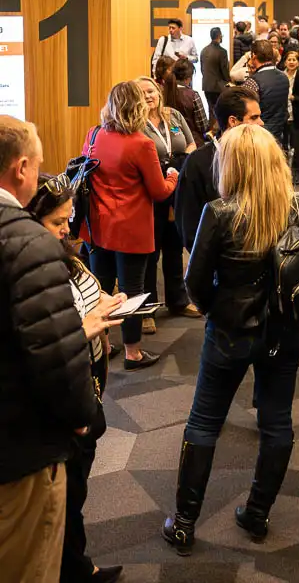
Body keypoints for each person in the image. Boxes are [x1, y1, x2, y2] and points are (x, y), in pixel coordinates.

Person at [162, 125, 299, 553]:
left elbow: (194, 283)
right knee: (277, 422)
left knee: (204, 422)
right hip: (284, 330)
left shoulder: (220, 211)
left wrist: (220, 308)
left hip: (230, 332)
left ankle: (184, 522)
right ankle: (257, 512)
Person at [0, 118, 99, 583]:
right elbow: (54, 354)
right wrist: (80, 417)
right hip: (22, 451)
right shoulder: (28, 242)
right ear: (21, 168)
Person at [27, 177, 125, 583]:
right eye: (57, 222)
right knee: (63, 495)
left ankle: (78, 564)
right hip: (64, 395)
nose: (67, 229)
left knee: (76, 490)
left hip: (90, 383)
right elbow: (45, 343)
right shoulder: (32, 271)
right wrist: (85, 327)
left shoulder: (67, 256)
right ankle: (74, 569)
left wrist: (105, 302)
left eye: (69, 219)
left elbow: (86, 294)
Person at [85, 82, 179, 370]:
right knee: (132, 290)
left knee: (99, 289)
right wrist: (173, 176)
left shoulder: (95, 134)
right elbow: (159, 191)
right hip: (131, 229)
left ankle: (104, 344)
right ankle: (133, 352)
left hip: (99, 226)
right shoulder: (141, 143)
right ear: (138, 107)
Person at [136, 76, 198, 326]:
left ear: (159, 92)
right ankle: (147, 310)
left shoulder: (173, 115)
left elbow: (191, 143)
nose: (148, 96)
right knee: (151, 251)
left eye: (150, 91)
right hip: (151, 192)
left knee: (175, 245)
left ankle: (178, 300)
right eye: (141, 93)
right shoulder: (136, 123)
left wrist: (184, 162)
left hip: (178, 188)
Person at [175, 87, 262, 253]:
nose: (261, 123)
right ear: (233, 121)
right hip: (217, 264)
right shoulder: (197, 163)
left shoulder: (263, 155)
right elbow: (188, 223)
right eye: (254, 117)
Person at [244, 39, 290, 144]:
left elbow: (246, 112)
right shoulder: (284, 77)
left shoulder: (253, 81)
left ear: (254, 56)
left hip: (259, 136)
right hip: (279, 133)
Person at [163, 59, 209, 148]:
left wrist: (177, 131)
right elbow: (202, 126)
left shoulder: (164, 92)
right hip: (193, 143)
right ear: (189, 78)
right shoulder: (193, 95)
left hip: (171, 141)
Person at [282, 50, 299, 185]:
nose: (291, 62)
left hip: (297, 116)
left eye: (294, 60)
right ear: (285, 61)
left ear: (298, 62)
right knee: (284, 146)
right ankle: (285, 173)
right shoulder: (281, 76)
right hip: (283, 116)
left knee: (298, 147)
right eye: (289, 59)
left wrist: (294, 98)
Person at [200, 27, 230, 119]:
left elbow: (202, 69)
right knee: (220, 111)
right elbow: (224, 70)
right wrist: (228, 82)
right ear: (219, 36)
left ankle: (211, 131)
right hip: (219, 86)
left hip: (207, 85)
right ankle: (219, 132)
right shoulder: (222, 52)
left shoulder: (204, 50)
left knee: (211, 111)